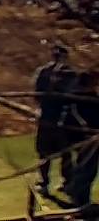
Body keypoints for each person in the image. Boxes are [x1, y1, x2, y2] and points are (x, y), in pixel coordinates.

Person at [34, 45, 75, 194]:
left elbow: (72, 95)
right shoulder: (44, 72)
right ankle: (44, 182)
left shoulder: (70, 74)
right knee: (44, 152)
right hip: (47, 116)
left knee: (66, 152)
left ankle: (68, 182)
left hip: (63, 118)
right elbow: (38, 94)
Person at [66, 70, 99, 207]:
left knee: (83, 167)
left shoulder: (73, 98)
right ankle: (81, 200)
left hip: (82, 136)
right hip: (87, 137)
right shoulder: (85, 99)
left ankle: (75, 193)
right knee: (87, 169)